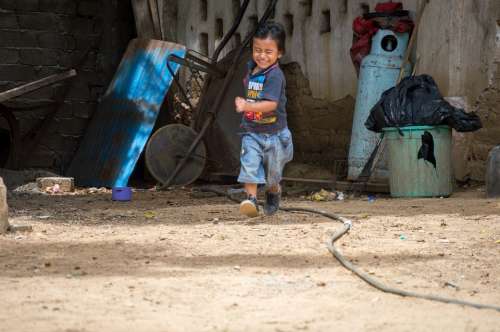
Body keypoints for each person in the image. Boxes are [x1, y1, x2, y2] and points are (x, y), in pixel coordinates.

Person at [235, 22, 293, 217]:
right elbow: (252, 94)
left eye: (268, 51)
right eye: (257, 50)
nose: (262, 55)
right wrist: (244, 102)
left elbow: (270, 104)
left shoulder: (275, 75)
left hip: (275, 136)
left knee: (272, 177)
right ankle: (250, 199)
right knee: (249, 163)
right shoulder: (252, 68)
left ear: (280, 53)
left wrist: (246, 106)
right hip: (251, 131)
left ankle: (273, 192)